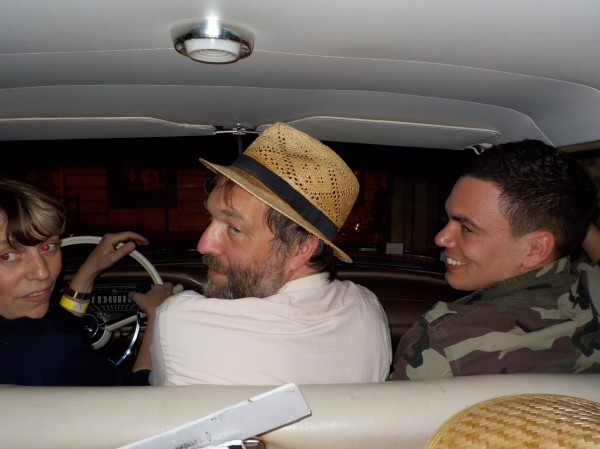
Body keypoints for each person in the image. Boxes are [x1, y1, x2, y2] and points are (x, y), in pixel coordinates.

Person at [132, 122, 392, 385]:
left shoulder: (181, 322)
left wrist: (155, 314)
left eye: (234, 228)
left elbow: (143, 397)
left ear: (300, 247)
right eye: (211, 219)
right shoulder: (368, 311)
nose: (204, 244)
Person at [390, 139, 600, 380]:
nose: (441, 238)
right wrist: (571, 216)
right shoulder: (593, 289)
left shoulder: (444, 342)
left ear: (535, 249)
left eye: (467, 228)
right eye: (448, 219)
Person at [0, 177, 152, 386]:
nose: (42, 273)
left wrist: (89, 271)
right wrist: (157, 314)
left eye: (47, 247)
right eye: (7, 256)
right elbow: (142, 391)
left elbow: (56, 329)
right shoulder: (41, 349)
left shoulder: (25, 340)